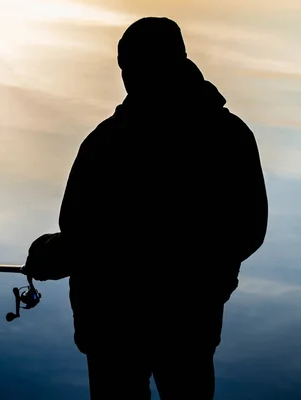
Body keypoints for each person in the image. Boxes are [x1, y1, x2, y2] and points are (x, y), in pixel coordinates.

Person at [22, 17, 268, 399]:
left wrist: (47, 254)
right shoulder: (231, 135)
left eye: (128, 66)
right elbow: (250, 230)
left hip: (114, 328)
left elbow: (80, 238)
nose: (126, 76)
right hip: (193, 323)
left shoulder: (105, 145)